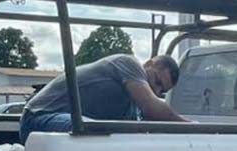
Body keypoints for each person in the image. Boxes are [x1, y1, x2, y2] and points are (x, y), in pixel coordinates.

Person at [19, 54, 188, 143]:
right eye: (157, 81)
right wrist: (192, 128)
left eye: (161, 90)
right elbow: (152, 108)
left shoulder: (132, 106)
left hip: (64, 120)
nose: (155, 89)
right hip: (39, 117)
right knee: (91, 131)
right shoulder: (130, 64)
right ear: (149, 64)